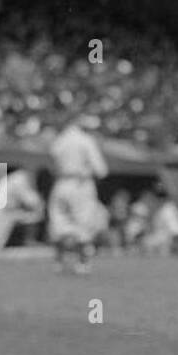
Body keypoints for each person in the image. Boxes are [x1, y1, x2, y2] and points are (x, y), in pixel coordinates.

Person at [46, 117, 109, 273]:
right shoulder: (86, 140)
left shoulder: (60, 140)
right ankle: (83, 263)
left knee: (58, 221)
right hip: (81, 184)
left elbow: (52, 160)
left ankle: (59, 263)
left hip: (61, 183)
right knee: (84, 223)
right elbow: (101, 169)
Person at [0, 168, 44, 256]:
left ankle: (30, 241)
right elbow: (32, 201)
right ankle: (30, 240)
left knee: (34, 216)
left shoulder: (16, 178)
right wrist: (43, 205)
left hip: (0, 213)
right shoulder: (19, 179)